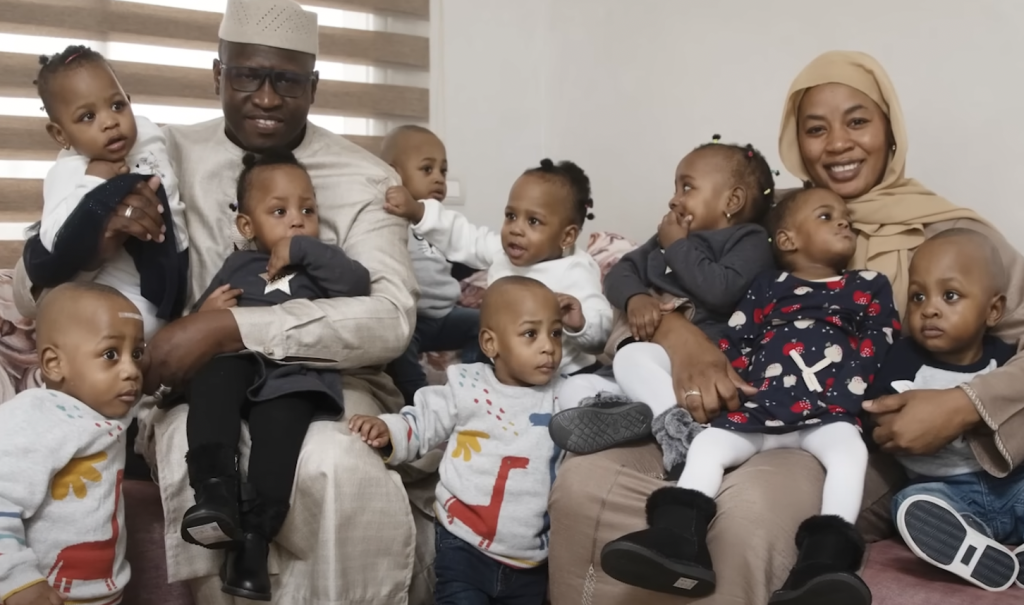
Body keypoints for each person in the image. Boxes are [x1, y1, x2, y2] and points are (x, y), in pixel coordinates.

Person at [547, 50, 1024, 605]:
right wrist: (677, 335)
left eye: (857, 121)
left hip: (858, 430)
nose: (837, 143)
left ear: (890, 130)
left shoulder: (954, 235)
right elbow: (660, 286)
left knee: (750, 512)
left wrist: (964, 405)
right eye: (816, 129)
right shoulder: (771, 220)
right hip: (738, 401)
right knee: (586, 482)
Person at [13, 1, 424, 603]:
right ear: (216, 74)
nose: (266, 97)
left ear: (313, 86)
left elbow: (390, 319)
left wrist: (228, 327)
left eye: (287, 81)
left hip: (330, 382)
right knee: (198, 456)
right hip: (194, 384)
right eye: (247, 75)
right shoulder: (156, 152)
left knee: (332, 463)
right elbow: (28, 292)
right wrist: (95, 239)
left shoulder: (367, 179)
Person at [601, 186, 898, 605]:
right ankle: (677, 540)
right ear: (788, 239)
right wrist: (737, 384)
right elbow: (737, 339)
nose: (843, 222)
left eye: (845, 217)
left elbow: (879, 339)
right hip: (762, 406)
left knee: (850, 453)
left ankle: (823, 563)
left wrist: (849, 391)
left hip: (827, 411)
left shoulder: (867, 285)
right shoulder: (767, 285)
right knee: (708, 446)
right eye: (826, 216)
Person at [180, 150, 373, 600]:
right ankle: (214, 493)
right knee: (211, 389)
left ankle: (253, 545)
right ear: (247, 226)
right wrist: (203, 313)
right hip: (236, 359)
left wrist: (302, 249)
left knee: (279, 440)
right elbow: (200, 325)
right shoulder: (237, 265)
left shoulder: (322, 264)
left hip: (293, 372)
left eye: (308, 210)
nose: (297, 220)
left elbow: (358, 285)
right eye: (280, 212)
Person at [549, 137, 775, 457]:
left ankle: (681, 433)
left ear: (732, 200)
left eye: (687, 187)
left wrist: (676, 246)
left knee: (630, 357)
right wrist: (636, 298)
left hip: (693, 365)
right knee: (572, 388)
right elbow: (620, 272)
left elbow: (721, 290)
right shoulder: (664, 238)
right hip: (645, 370)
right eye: (675, 188)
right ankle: (633, 415)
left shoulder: (748, 239)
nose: (673, 199)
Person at [351, 276, 569, 605]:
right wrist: (390, 430)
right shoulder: (467, 385)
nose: (548, 346)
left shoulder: (563, 395)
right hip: (464, 542)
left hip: (531, 558)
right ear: (490, 343)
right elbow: (425, 419)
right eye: (530, 334)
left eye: (556, 333)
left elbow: (596, 410)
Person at [865, 230, 1023, 591]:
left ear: (993, 310)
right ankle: (974, 545)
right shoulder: (903, 359)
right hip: (947, 491)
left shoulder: (1005, 359)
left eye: (950, 295)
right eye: (917, 296)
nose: (929, 309)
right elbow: (877, 417)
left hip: (1013, 484)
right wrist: (881, 422)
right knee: (910, 504)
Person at [384, 157, 613, 376]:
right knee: (478, 360)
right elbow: (464, 237)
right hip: (508, 369)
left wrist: (580, 324)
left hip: (562, 373)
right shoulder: (502, 252)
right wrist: (418, 212)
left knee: (580, 391)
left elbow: (600, 333)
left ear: (566, 237)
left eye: (533, 221)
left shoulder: (575, 270)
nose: (516, 228)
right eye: (511, 216)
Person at [0, 282, 144, 605]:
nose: (132, 370)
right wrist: (17, 581)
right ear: (54, 364)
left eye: (137, 354)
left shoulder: (106, 414)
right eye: (110, 354)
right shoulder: (35, 417)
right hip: (39, 594)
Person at [32, 45, 188, 340]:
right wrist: (93, 182)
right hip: (113, 297)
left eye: (117, 106)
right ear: (60, 134)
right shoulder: (68, 172)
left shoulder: (149, 133)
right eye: (87, 116)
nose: (109, 122)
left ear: (129, 102)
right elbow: (53, 239)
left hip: (174, 272)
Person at [380, 125, 482, 406]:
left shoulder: (439, 222)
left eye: (443, 171)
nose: (438, 178)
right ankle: (419, 403)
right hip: (411, 320)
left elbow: (456, 257)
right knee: (397, 344)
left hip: (446, 314)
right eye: (427, 169)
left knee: (487, 323)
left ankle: (471, 385)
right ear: (393, 173)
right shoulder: (389, 220)